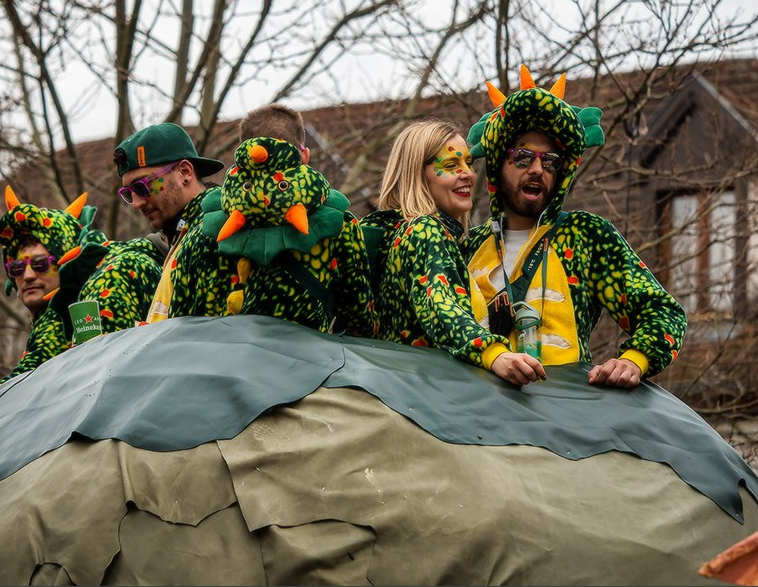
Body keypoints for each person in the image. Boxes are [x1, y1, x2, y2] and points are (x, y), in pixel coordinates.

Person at [464, 65, 688, 388]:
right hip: (476, 424)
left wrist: (633, 360)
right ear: (499, 162)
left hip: (559, 421)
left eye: (551, 161)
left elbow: (663, 312)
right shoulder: (467, 246)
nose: (538, 169)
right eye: (524, 157)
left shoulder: (586, 236)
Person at [159, 104, 376, 336]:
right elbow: (358, 319)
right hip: (306, 367)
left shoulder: (205, 227)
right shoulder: (336, 223)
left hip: (218, 366)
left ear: (246, 157)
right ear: (303, 155)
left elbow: (179, 322)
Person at [361, 121, 545, 386]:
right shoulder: (424, 231)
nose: (468, 174)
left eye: (469, 164)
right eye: (451, 166)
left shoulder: (415, 234)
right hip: (424, 401)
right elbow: (440, 303)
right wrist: (493, 353)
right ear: (417, 175)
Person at [0, 185, 163, 385]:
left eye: (40, 264)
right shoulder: (45, 321)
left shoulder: (60, 319)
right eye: (17, 268)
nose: (28, 275)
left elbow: (15, 389)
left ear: (65, 262)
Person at [114, 122, 225, 322]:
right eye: (128, 194)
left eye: (141, 186)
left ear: (185, 172)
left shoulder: (210, 231)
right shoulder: (185, 235)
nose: (136, 203)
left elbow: (207, 338)